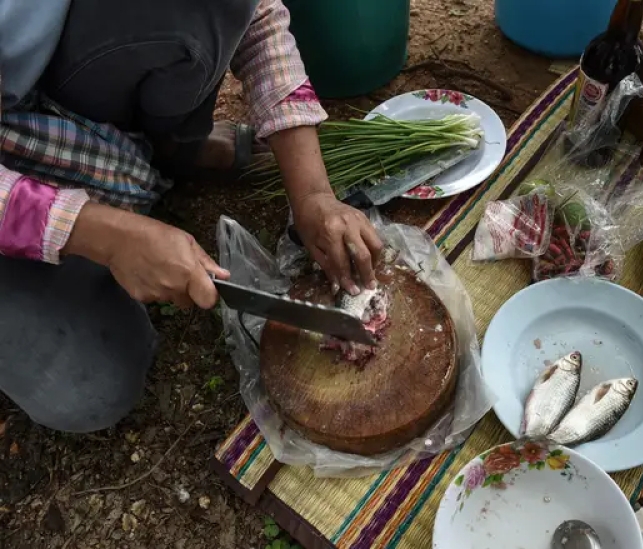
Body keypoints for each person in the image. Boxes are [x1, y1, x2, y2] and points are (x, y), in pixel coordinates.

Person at [0, 0, 384, 433]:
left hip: (50, 99)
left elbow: (255, 13)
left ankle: (164, 153)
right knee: (90, 389)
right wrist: (98, 234)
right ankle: (85, 235)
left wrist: (313, 193)